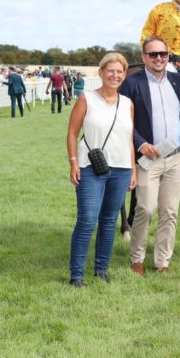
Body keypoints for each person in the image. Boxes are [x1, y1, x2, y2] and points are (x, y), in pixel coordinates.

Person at [120, 37, 180, 276]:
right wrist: (140, 144)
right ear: (144, 57)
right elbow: (122, 120)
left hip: (174, 157)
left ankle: (162, 261)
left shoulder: (176, 80)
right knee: (145, 208)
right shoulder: (132, 83)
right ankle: (137, 258)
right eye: (153, 54)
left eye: (162, 54)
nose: (159, 58)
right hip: (148, 158)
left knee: (170, 212)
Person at [66, 53, 136, 287]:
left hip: (121, 169)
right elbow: (72, 133)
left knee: (108, 221)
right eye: (111, 71)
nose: (115, 75)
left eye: (119, 72)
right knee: (87, 220)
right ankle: (76, 275)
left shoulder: (127, 104)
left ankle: (101, 270)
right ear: (101, 73)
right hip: (90, 167)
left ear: (124, 75)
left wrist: (133, 170)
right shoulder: (87, 99)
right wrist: (74, 162)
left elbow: (130, 140)